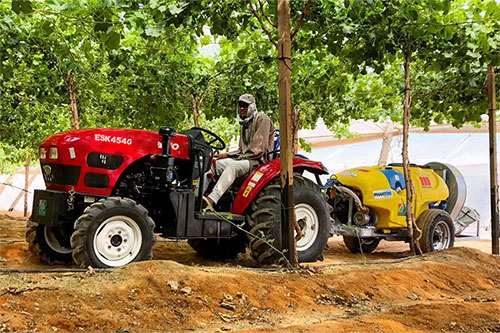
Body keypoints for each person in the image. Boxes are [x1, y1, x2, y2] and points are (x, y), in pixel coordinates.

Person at [204, 94, 275, 207]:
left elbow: (257, 150)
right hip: (245, 159)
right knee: (213, 164)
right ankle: (196, 198)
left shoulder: (262, 119)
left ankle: (211, 200)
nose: (241, 108)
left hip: (257, 162)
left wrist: (236, 159)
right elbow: (241, 150)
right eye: (240, 105)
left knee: (232, 166)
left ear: (251, 107)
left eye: (245, 105)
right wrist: (227, 154)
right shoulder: (244, 124)